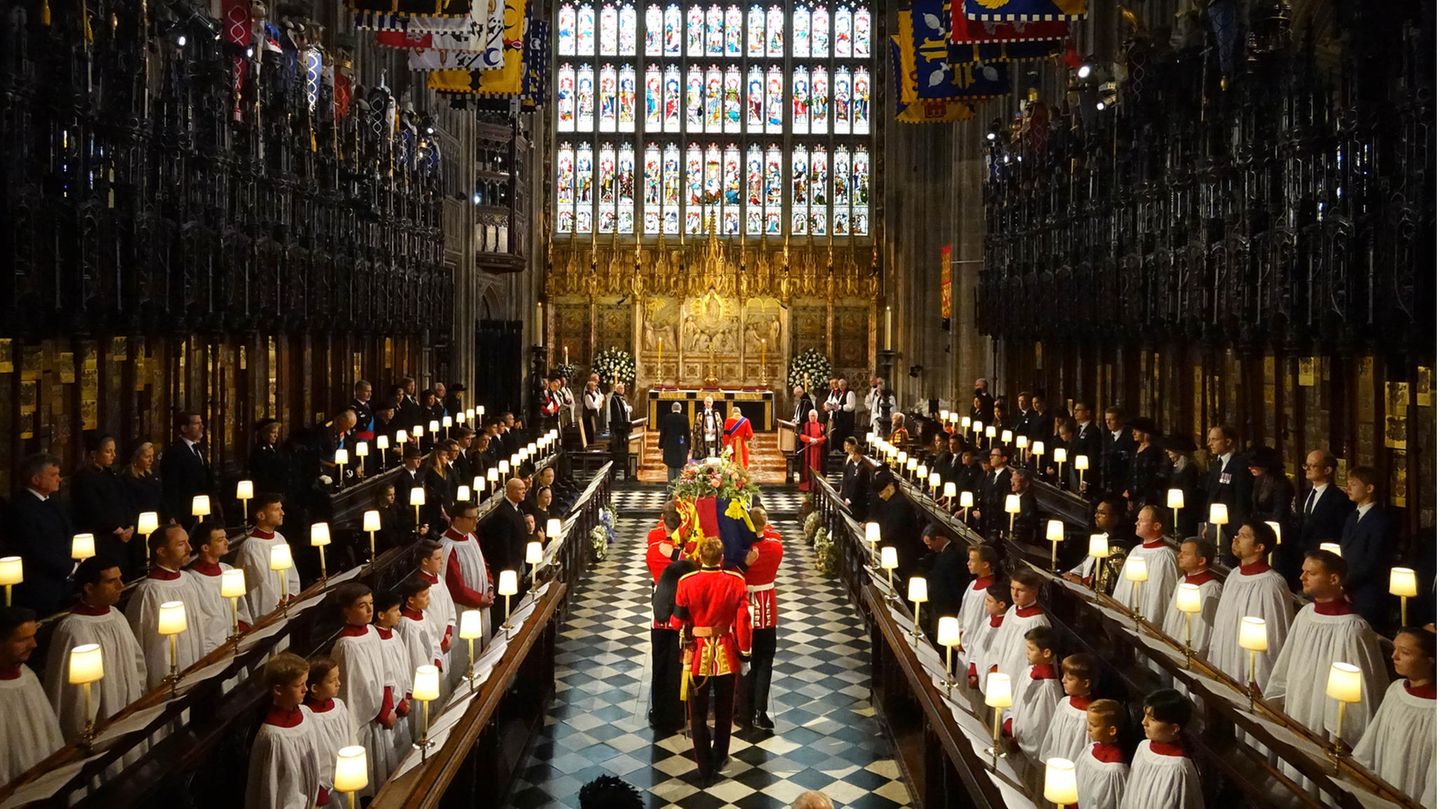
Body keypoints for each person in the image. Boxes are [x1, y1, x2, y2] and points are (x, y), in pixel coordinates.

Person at [1265, 550, 1387, 788]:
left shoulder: (1353, 628)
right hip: (1298, 706)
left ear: (1334, 579)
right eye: (1303, 571)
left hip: (1327, 717)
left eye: (1311, 573)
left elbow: (1363, 691)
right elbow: (1287, 662)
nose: (1302, 577)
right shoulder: (1306, 614)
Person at [43, 557, 147, 744]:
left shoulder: (116, 616)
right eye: (111, 581)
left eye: (120, 579)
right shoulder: (73, 630)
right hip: (98, 722)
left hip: (127, 705)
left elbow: (136, 661)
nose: (121, 586)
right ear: (89, 588)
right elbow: (70, 694)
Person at [673, 538, 752, 784]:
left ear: (699, 557)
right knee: (724, 710)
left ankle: (704, 766)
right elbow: (743, 622)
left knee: (696, 713)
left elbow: (678, 621)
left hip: (696, 655)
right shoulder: (735, 581)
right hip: (725, 653)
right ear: (721, 557)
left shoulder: (686, 582)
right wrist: (745, 654)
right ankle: (720, 756)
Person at [1352, 628, 1436, 808]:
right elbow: (1374, 738)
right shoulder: (1396, 690)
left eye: (1405, 652)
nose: (1394, 657)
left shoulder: (1434, 710)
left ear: (1429, 661)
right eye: (1394, 649)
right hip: (1385, 781)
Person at [1208, 520, 1292, 693]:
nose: (1236, 539)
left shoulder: (1271, 584)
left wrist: (1262, 679)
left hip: (1252, 670)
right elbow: (1222, 622)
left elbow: (1275, 635)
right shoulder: (1234, 575)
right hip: (1227, 655)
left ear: (1259, 547)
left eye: (1244, 536)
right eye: (1237, 534)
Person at [125, 525, 212, 689]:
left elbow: (202, 621)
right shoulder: (149, 591)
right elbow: (139, 639)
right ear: (162, 551)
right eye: (181, 544)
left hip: (195, 661)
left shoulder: (188, 579)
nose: (190, 548)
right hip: (165, 672)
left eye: (188, 542)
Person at [330, 583, 399, 791]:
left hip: (380, 713)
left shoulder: (371, 631)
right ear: (346, 611)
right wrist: (380, 711)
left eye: (371, 604)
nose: (370, 610)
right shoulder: (346, 645)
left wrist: (387, 705)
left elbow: (385, 672)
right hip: (364, 723)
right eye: (362, 606)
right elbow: (356, 690)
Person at [245, 652, 323, 809]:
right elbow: (272, 790)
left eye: (305, 683)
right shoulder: (273, 737)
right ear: (278, 690)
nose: (305, 689)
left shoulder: (306, 714)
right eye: (298, 685)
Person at [7, 453, 74, 615]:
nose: (59, 479)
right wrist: (71, 567)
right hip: (39, 586)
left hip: (60, 582)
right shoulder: (21, 508)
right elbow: (35, 549)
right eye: (53, 475)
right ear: (36, 479)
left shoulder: (51, 501)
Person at [1119, 689, 1202, 809]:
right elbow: (1131, 793)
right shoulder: (1143, 747)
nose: (1143, 722)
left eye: (1152, 719)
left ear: (1174, 728)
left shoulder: (1178, 767)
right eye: (1145, 716)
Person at [647, 511, 689, 733]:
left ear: (663, 524)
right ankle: (677, 710)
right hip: (680, 614)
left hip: (659, 611)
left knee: (659, 662)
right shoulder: (686, 553)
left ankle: (658, 709)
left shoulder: (654, 549)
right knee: (678, 662)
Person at [741, 507, 783, 730]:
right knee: (765, 661)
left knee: (745, 660)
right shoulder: (775, 546)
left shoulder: (742, 550)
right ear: (765, 524)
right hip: (766, 608)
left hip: (745, 608)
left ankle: (744, 708)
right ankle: (760, 711)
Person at [71, 432, 137, 573]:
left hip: (122, 537)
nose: (113, 455)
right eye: (108, 451)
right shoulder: (84, 478)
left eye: (114, 451)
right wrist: (117, 529)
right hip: (103, 538)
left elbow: (125, 500)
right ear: (94, 453)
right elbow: (93, 509)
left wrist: (130, 525)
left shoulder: (111, 474)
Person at [187, 521, 254, 653]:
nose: (227, 542)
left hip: (235, 642)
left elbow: (240, 607)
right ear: (205, 547)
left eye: (226, 538)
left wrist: (241, 628)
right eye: (220, 540)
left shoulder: (228, 570)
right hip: (212, 648)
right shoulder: (193, 580)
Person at [978, 569, 1049, 692]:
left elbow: (1034, 659)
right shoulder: (1011, 611)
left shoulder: (1037, 622)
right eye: (1012, 588)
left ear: (1034, 592)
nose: (1014, 594)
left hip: (1018, 682)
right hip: (1001, 675)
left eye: (1020, 590)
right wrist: (995, 665)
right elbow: (999, 642)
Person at [1339, 466, 1393, 627]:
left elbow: (1372, 561)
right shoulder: (1352, 516)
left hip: (1366, 593)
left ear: (1369, 488)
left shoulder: (1380, 521)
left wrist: (1345, 584)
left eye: (1353, 484)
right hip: (1348, 587)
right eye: (1347, 483)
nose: (1347, 488)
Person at [1109, 506, 1180, 626]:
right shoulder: (1136, 550)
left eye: (1141, 520)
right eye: (1138, 519)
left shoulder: (1166, 556)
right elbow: (1123, 587)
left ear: (1156, 526)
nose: (1136, 523)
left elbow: (1161, 596)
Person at [236, 494, 302, 619]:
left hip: (286, 606)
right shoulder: (250, 547)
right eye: (276, 510)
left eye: (281, 508)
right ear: (261, 515)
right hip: (265, 613)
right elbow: (260, 585)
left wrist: (291, 596)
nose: (282, 513)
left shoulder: (279, 538)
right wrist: (278, 602)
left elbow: (290, 572)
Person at [302, 656, 357, 806]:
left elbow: (350, 736)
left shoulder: (339, 706)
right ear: (314, 688)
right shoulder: (308, 716)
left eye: (338, 678)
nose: (339, 683)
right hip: (327, 784)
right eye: (332, 681)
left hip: (347, 774)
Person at [1004, 625, 1063, 759]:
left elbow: (1041, 726)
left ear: (1046, 653)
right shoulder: (1028, 672)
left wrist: (1021, 742)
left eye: (1031, 649)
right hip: (1016, 738)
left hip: (1028, 750)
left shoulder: (1049, 687)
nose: (1027, 652)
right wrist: (1010, 725)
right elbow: (1017, 703)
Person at [371, 591, 415, 767]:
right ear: (381, 615)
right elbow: (383, 678)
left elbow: (404, 667)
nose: (400, 614)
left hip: (401, 701)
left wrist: (407, 694)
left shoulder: (395, 635)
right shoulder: (375, 642)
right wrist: (396, 703)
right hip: (389, 707)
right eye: (395, 610)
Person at [1293, 450, 1350, 581]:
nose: (1307, 469)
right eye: (1306, 465)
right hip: (1301, 556)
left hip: (1322, 559)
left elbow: (1340, 531)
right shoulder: (1306, 493)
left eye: (1313, 465)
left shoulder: (1338, 498)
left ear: (1327, 470)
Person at [442, 502, 495, 641]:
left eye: (476, 517)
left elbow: (484, 567)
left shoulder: (472, 538)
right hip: (463, 609)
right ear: (457, 520)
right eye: (471, 518)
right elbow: (455, 588)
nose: (475, 521)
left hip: (482, 602)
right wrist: (479, 599)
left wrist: (489, 588)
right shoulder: (448, 547)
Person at [1160, 538, 1222, 658]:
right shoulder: (1183, 580)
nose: (1179, 556)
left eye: (1186, 553)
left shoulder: (1211, 590)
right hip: (1174, 645)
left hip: (1192, 654)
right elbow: (1172, 617)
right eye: (1181, 552)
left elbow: (1205, 631)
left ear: (1201, 560)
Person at [412, 540, 459, 687]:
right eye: (438, 559)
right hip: (433, 647)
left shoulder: (438, 578)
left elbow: (449, 606)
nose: (442, 562)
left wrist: (448, 632)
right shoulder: (420, 588)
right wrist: (439, 642)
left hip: (445, 642)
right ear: (425, 561)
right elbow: (426, 619)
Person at [1038, 653, 1098, 765]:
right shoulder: (1064, 703)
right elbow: (1053, 732)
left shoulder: (1089, 716)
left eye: (1069, 678)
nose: (1063, 680)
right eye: (1063, 675)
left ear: (1085, 683)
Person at [1063, 497, 1131, 594]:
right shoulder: (1103, 537)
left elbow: (1107, 584)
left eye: (1102, 513)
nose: (1096, 516)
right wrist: (1072, 574)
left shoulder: (1119, 547)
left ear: (1116, 518)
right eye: (1096, 512)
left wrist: (1081, 582)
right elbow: (1086, 564)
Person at [160, 411, 216, 529]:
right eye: (196, 423)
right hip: (186, 512)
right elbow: (171, 486)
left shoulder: (198, 448)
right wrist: (173, 516)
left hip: (204, 509)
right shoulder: (175, 452)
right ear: (184, 428)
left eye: (201, 423)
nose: (202, 426)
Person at [1202, 425, 1252, 552]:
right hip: (1213, 523)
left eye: (1214, 439)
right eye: (1209, 439)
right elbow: (1211, 495)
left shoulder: (1240, 464)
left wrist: (1238, 530)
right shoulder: (1216, 463)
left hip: (1230, 528)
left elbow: (1242, 500)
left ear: (1228, 441)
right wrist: (1207, 523)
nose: (1210, 444)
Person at [1076, 699, 1129, 809]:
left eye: (1093, 725)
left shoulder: (1114, 768)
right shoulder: (1090, 748)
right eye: (1088, 723)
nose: (1088, 728)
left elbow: (1108, 803)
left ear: (1112, 730)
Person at [870, 470, 920, 580]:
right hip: (892, 548)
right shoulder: (890, 501)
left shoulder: (900, 504)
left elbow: (893, 530)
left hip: (901, 552)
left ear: (890, 487)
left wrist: (877, 541)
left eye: (882, 492)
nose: (881, 496)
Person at [920, 524, 965, 638]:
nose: (929, 548)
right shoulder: (943, 553)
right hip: (939, 605)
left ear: (938, 539)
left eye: (930, 544)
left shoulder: (952, 556)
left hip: (947, 608)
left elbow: (955, 586)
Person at [958, 546, 1001, 667]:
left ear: (985, 564)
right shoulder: (973, 584)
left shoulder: (988, 592)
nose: (968, 563)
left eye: (972, 560)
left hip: (975, 645)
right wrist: (960, 633)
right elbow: (963, 613)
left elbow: (979, 620)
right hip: (964, 642)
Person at [482, 479, 530, 577]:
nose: (524, 491)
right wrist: (509, 569)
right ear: (511, 491)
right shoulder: (503, 513)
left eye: (524, 488)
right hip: (509, 567)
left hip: (518, 561)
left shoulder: (516, 508)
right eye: (520, 489)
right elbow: (503, 545)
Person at [1163, 433, 1203, 539]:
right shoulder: (1172, 467)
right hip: (1172, 512)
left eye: (1170, 449)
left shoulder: (1190, 468)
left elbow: (1188, 494)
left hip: (1184, 515)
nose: (1167, 451)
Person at [1123, 418, 1167, 511]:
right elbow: (1130, 472)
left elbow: (1151, 478)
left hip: (1147, 498)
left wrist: (1136, 494)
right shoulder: (1135, 449)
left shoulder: (1153, 451)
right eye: (1133, 430)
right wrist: (1128, 492)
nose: (1133, 433)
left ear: (1145, 432)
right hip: (1133, 496)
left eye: (1136, 431)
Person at [249, 418, 294, 505]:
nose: (276, 436)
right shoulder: (260, 451)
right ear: (264, 434)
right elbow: (264, 474)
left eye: (277, 433)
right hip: (269, 492)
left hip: (278, 490)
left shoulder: (274, 449)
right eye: (273, 432)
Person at [975, 447, 1012, 537]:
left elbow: (1001, 502)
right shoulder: (992, 474)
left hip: (996, 523)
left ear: (1004, 458)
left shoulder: (1007, 478)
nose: (990, 458)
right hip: (985, 520)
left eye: (994, 455)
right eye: (990, 455)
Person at [651, 401, 690, 482]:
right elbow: (687, 434)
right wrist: (689, 447)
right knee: (680, 466)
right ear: (680, 409)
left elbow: (663, 433)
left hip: (669, 444)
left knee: (670, 467)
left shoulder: (666, 417)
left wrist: (660, 446)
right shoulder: (685, 418)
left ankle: (670, 487)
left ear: (672, 409)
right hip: (681, 443)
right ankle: (679, 488)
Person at [1099, 407, 1133, 498]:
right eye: (1106, 419)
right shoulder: (1106, 437)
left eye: (1111, 419)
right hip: (1108, 484)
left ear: (1120, 420)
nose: (1108, 422)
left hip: (1122, 484)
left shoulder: (1129, 438)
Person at [839, 437, 872, 519]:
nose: (852, 456)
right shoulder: (851, 466)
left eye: (854, 454)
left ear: (859, 454)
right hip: (847, 498)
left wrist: (851, 499)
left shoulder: (864, 469)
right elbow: (847, 482)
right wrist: (846, 496)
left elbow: (860, 486)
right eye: (851, 454)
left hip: (857, 502)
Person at [797, 410, 826, 492]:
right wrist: (809, 439)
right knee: (807, 467)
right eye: (811, 416)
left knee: (817, 467)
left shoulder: (821, 425)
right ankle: (807, 486)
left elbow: (824, 437)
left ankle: (817, 486)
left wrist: (817, 440)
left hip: (818, 451)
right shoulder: (805, 425)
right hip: (808, 451)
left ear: (817, 417)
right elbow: (801, 436)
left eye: (814, 416)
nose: (812, 417)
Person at [609, 382, 633, 476]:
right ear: (618, 389)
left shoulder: (619, 398)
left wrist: (627, 408)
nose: (623, 391)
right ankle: (619, 461)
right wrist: (622, 425)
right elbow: (618, 413)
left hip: (622, 425)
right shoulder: (615, 398)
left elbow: (623, 409)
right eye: (622, 389)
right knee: (619, 444)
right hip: (618, 426)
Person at [722, 403, 754, 468]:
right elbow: (750, 434)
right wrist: (745, 440)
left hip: (732, 443)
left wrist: (726, 444)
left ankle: (733, 475)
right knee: (743, 461)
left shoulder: (728, 420)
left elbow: (726, 434)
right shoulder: (746, 420)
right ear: (740, 412)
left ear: (732, 412)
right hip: (743, 444)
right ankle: (743, 475)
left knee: (732, 461)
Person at [582, 378, 605, 446]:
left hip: (594, 416)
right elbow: (592, 406)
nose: (595, 387)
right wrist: (598, 401)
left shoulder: (594, 395)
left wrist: (598, 402)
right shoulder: (588, 396)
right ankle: (591, 445)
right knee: (590, 433)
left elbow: (599, 404)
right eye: (594, 386)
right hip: (589, 418)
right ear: (590, 387)